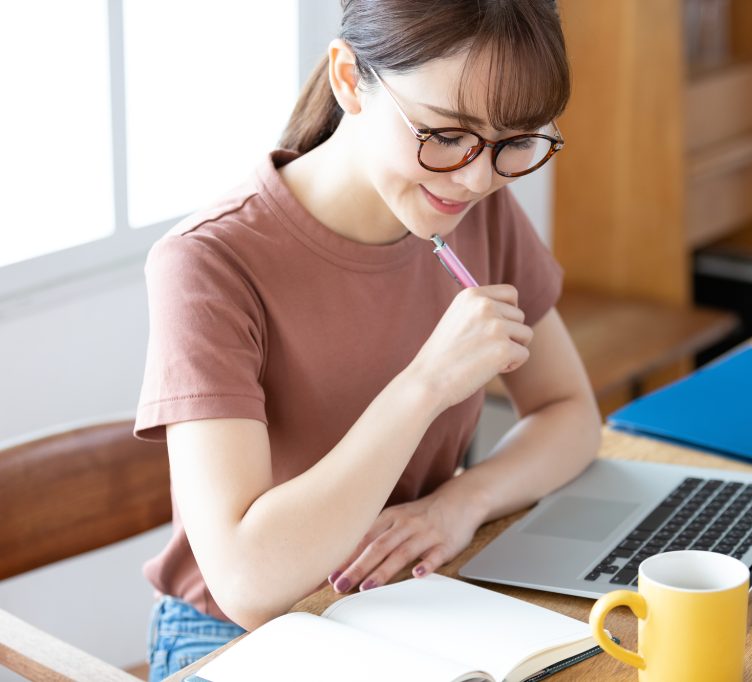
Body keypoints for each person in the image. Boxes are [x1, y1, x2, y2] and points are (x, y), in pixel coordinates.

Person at [135, 1, 601, 678]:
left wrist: (456, 506)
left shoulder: (476, 206)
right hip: (237, 638)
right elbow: (248, 584)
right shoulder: (207, 264)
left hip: (413, 602)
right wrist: (426, 384)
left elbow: (570, 413)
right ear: (350, 80)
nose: (478, 177)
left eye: (515, 142)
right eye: (445, 134)